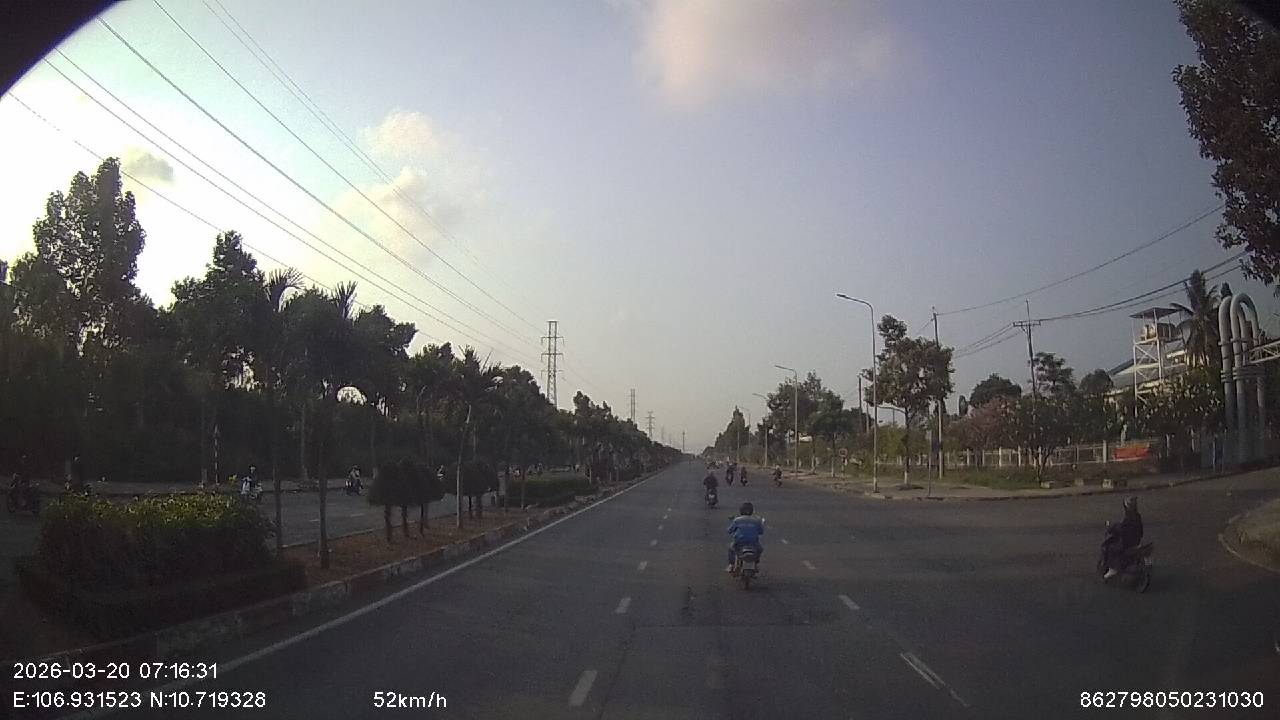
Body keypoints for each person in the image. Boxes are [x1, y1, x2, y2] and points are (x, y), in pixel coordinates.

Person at [1103, 496, 1144, 579]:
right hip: (1136, 541)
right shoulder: (1137, 516)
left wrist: (1112, 528)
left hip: (1127, 542)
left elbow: (1122, 529)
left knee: (1111, 549)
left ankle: (1113, 569)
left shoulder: (1129, 518)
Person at [727, 502, 765, 573]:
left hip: (739, 542)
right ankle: (756, 563)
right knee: (760, 550)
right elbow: (761, 532)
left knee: (731, 549)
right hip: (753, 543)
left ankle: (731, 565)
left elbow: (729, 530)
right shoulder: (757, 520)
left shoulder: (737, 520)